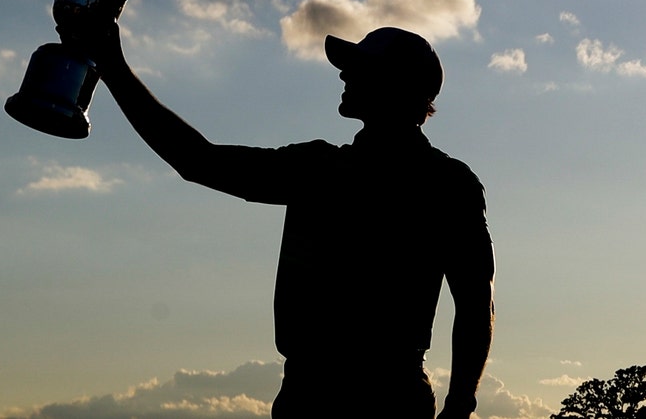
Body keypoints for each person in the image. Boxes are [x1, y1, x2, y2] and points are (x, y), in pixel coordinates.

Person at [65, 23, 495, 418]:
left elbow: (197, 160)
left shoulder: (325, 170)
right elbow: (477, 304)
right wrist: (459, 407)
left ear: (392, 85)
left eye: (358, 69)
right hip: (363, 397)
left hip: (332, 398)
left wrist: (114, 66)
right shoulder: (445, 183)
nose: (344, 76)